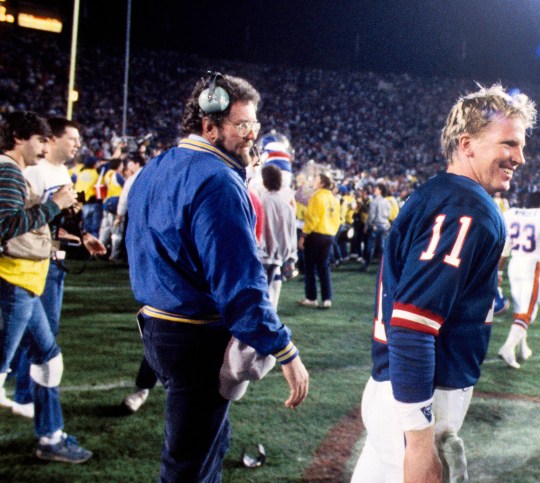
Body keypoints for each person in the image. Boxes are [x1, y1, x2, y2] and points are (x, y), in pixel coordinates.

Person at [125, 72, 309, 481]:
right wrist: (285, 351)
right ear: (209, 126)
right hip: (195, 339)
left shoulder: (156, 166)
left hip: (156, 327)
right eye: (243, 126)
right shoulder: (218, 181)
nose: (251, 136)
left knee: (206, 448)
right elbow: (241, 285)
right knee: (189, 468)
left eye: (255, 126)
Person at [351, 84, 536, 483]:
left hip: (396, 391)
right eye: (509, 144)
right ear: (467, 144)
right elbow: (413, 325)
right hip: (420, 398)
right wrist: (419, 444)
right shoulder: (466, 207)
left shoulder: (440, 193)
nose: (520, 157)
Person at [0, 111, 93, 463]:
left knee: (48, 358)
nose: (43, 147)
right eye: (39, 140)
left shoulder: (14, 171)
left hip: (25, 282)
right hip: (14, 281)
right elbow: (6, 227)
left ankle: (50, 437)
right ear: (20, 138)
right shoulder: (8, 170)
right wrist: (53, 205)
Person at [9, 117, 106, 418]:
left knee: (41, 334)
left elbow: (63, 219)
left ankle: (26, 393)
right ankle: (25, 395)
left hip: (53, 260)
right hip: (31, 263)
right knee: (41, 337)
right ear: (52, 140)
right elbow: (22, 221)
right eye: (73, 138)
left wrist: (84, 236)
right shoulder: (32, 172)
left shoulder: (61, 171)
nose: (78, 144)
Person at [496, 191, 540, 370]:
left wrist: (499, 270)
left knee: (520, 309)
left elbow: (505, 246)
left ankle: (522, 348)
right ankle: (507, 348)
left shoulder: (512, 213)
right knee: (527, 314)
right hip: (532, 266)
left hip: (514, 265)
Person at [298, 172, 340, 308]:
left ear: (321, 183)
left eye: (316, 179)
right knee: (324, 267)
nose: (313, 182)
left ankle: (311, 298)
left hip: (315, 234)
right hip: (329, 235)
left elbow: (312, 218)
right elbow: (337, 220)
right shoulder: (333, 199)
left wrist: (304, 235)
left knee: (310, 267)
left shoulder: (317, 197)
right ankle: (327, 298)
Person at [259, 164, 297, 311]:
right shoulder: (286, 206)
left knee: (260, 299)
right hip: (279, 258)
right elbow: (291, 233)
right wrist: (291, 258)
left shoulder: (261, 201)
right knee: (272, 298)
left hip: (262, 256)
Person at [360, 183, 392, 272]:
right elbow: (389, 214)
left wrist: (368, 225)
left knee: (370, 246)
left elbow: (371, 215)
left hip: (375, 226)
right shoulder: (386, 201)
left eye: (376, 189)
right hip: (384, 225)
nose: (374, 190)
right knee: (382, 246)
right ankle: (385, 266)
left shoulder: (374, 201)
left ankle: (366, 265)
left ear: (380, 191)